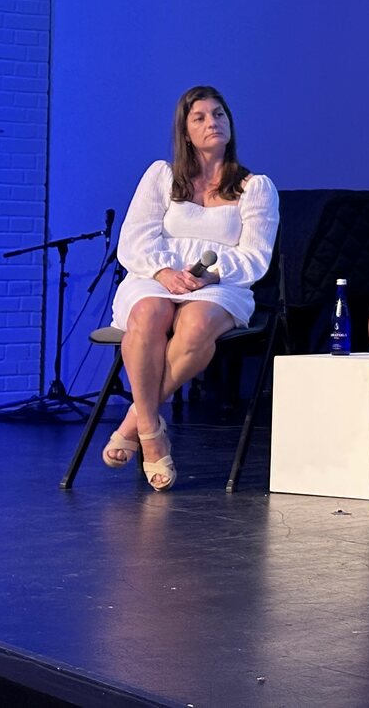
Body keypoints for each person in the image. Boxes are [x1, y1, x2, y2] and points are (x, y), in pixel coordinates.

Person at [101, 86, 280, 492]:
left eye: (219, 114)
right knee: (148, 316)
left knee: (196, 326)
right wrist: (163, 272)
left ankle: (136, 422)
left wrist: (210, 276)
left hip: (220, 283)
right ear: (185, 132)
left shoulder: (255, 187)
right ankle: (152, 432)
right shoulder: (161, 176)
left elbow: (256, 257)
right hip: (155, 275)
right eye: (199, 117)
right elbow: (134, 240)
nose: (212, 122)